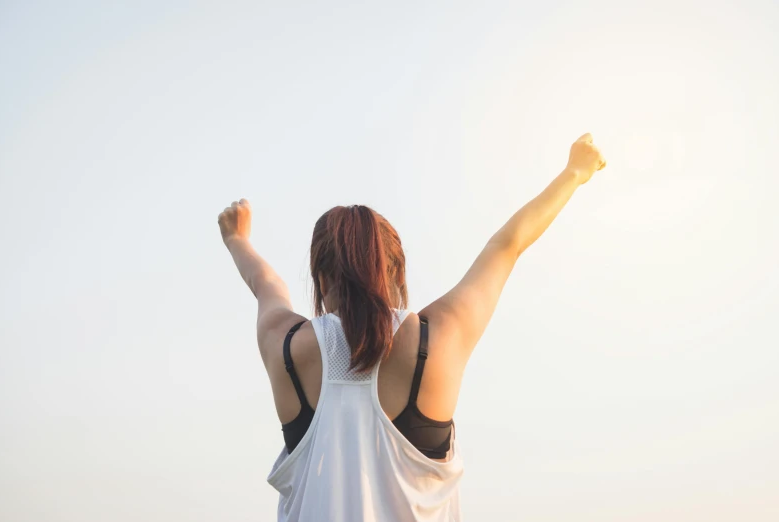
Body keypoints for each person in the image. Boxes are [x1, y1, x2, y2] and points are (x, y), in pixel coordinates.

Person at [218, 133, 607, 521]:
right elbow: (507, 245)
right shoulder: (438, 339)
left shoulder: (285, 348)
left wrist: (237, 238)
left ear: (320, 280)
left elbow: (266, 285)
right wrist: (574, 172)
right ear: (397, 273)